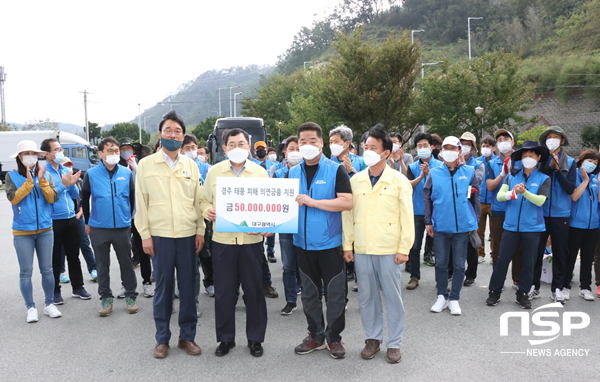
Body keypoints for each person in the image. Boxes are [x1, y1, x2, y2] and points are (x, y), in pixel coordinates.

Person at [135, 111, 205, 359]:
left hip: (187, 236)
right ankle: (161, 339)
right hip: (160, 236)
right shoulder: (146, 165)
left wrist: (200, 230)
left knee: (188, 289)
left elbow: (198, 201)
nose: (173, 134)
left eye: (177, 131)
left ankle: (187, 337)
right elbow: (141, 204)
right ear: (160, 134)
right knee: (164, 290)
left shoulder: (191, 165)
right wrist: (145, 235)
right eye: (168, 130)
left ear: (183, 135)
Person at [342, 125, 414, 364]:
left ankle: (394, 343)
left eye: (373, 147)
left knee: (393, 297)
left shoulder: (399, 181)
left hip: (389, 249)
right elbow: (348, 215)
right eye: (366, 147)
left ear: (386, 153)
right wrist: (347, 245)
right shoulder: (356, 180)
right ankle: (372, 338)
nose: (367, 151)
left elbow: (407, 217)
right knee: (367, 296)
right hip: (362, 248)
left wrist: (405, 248)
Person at [199, 127, 270, 358]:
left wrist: (270, 226)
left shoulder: (260, 173)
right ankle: (225, 339)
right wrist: (207, 210)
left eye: (241, 144)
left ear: (249, 147)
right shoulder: (215, 172)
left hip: (251, 241)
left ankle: (255, 338)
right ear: (224, 148)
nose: (237, 148)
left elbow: (269, 207)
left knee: (254, 292)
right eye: (232, 144)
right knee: (224, 293)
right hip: (223, 242)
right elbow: (203, 200)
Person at [289, 122, 353, 359]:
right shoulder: (292, 172)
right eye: (302, 142)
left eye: (312, 141)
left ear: (321, 143)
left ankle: (334, 338)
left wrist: (313, 202)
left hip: (330, 244)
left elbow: (347, 202)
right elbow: (283, 209)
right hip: (301, 244)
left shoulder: (336, 170)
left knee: (335, 294)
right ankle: (315, 335)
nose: (307, 146)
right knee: (308, 293)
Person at [486, 141, 551, 308]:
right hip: (511, 226)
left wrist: (525, 192)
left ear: (538, 157)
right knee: (502, 260)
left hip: (533, 228)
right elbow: (500, 197)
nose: (527, 158)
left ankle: (522, 293)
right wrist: (512, 192)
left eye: (531, 155)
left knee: (529, 262)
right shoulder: (511, 175)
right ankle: (495, 291)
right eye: (524, 155)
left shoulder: (544, 179)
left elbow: (540, 201)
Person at [82, 137, 139, 316]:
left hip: (122, 226)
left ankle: (130, 295)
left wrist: (128, 219)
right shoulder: (91, 174)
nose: (114, 154)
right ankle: (106, 297)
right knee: (102, 265)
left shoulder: (126, 172)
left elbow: (131, 197)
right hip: (99, 227)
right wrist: (87, 222)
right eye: (110, 151)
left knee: (126, 263)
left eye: (116, 151)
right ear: (101, 153)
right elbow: (84, 199)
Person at [6, 140, 62, 322]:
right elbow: (14, 199)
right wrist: (29, 183)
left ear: (38, 156)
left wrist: (42, 181)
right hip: (23, 232)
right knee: (25, 271)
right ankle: (30, 307)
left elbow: (53, 198)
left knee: (47, 269)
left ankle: (49, 304)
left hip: (45, 229)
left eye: (32, 153)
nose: (29, 156)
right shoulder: (11, 176)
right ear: (19, 158)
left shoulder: (44, 174)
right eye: (25, 154)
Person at [424, 136, 480, 316]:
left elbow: (475, 198)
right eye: (445, 147)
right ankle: (441, 296)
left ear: (459, 151)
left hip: (462, 228)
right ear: (441, 152)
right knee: (440, 264)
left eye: (453, 148)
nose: (449, 150)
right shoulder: (434, 172)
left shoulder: (470, 171)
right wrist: (427, 221)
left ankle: (454, 298)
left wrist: (475, 221)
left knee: (459, 265)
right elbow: (427, 197)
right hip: (440, 226)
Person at [41, 138, 92, 304]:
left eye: (60, 149)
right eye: (56, 149)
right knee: (55, 258)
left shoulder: (65, 169)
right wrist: (63, 185)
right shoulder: (43, 172)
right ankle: (55, 291)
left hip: (71, 219)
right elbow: (49, 198)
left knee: (73, 255)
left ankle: (78, 287)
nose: (59, 152)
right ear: (47, 154)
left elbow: (74, 196)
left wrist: (70, 184)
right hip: (54, 220)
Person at [531, 126, 576, 303]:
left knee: (560, 252)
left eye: (555, 137)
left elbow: (570, 188)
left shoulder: (570, 162)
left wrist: (557, 170)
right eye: (549, 137)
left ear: (562, 140)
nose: (552, 140)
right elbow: (537, 181)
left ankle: (557, 288)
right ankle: (534, 286)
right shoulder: (540, 160)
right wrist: (548, 168)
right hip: (541, 211)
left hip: (561, 213)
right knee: (536, 250)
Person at [485, 129, 523, 287]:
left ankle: (517, 279)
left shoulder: (522, 160)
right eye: (499, 139)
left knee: (518, 247)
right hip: (499, 210)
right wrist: (501, 174)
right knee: (498, 247)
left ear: (513, 142)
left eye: (506, 138)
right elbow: (489, 187)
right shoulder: (492, 163)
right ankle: (497, 280)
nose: (503, 141)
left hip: (518, 209)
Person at [405, 132, 442, 290]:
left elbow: (441, 187)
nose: (422, 148)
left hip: (437, 212)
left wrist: (429, 175)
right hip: (417, 211)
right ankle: (414, 276)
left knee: (440, 247)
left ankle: (441, 278)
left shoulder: (440, 166)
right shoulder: (412, 167)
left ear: (432, 146)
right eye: (419, 146)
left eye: (425, 145)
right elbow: (408, 187)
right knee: (414, 246)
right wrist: (421, 176)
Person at [273, 136, 303, 315]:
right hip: (285, 225)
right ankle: (290, 300)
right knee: (288, 265)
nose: (295, 152)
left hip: (305, 224)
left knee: (305, 265)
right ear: (285, 151)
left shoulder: (307, 171)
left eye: (299, 148)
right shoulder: (277, 173)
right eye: (291, 148)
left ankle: (308, 299)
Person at [564, 149, 599, 301]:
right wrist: (585, 181)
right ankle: (564, 286)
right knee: (571, 256)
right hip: (576, 223)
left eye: (595, 163)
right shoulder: (576, 175)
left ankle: (585, 287)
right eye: (590, 161)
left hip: (593, 225)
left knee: (588, 257)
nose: (592, 165)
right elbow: (574, 197)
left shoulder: (595, 179)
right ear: (582, 160)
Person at [59, 157, 98, 283]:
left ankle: (93, 269)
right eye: (66, 165)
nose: (69, 167)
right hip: (63, 218)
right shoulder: (57, 181)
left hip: (78, 217)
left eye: (70, 165)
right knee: (62, 248)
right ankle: (61, 272)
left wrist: (80, 212)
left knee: (84, 244)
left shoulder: (79, 181)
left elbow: (81, 200)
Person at [454, 132, 485, 287]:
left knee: (470, 242)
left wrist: (462, 166)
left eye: (468, 144)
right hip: (452, 207)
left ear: (473, 147)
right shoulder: (449, 161)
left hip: (469, 208)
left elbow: (475, 182)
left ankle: (471, 274)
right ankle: (451, 271)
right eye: (462, 143)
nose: (464, 147)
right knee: (452, 241)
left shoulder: (478, 164)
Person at [476, 136, 497, 263]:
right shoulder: (477, 161)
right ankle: (480, 253)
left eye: (488, 146)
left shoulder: (497, 161)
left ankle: (494, 253)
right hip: (479, 200)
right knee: (479, 230)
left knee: (494, 231)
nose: (485, 148)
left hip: (494, 201)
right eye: (483, 146)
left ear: (493, 148)